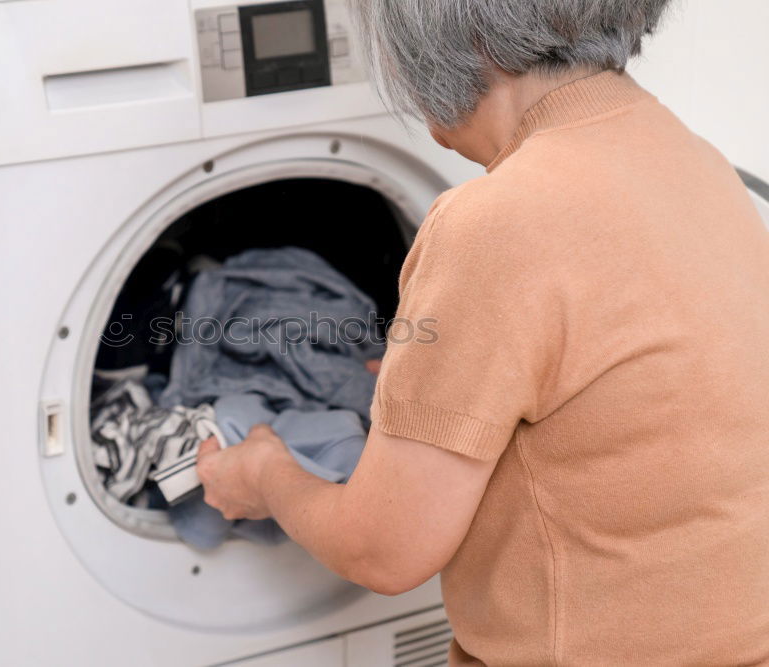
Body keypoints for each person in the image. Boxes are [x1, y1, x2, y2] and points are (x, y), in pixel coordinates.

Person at [195, 1, 769, 663]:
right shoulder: (693, 158)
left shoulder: (494, 222)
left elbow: (382, 550)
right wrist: (431, 383)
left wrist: (265, 473)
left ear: (449, 37)